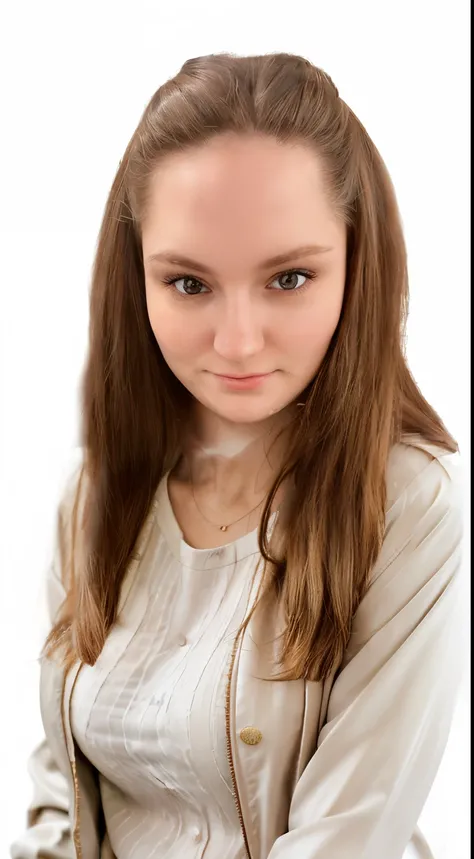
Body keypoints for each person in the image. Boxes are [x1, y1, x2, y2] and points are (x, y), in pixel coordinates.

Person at [10, 51, 466, 859]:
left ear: (357, 268)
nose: (238, 341)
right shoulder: (97, 492)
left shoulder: (407, 504)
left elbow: (344, 839)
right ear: (137, 279)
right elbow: (63, 801)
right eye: (189, 284)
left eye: (288, 278)